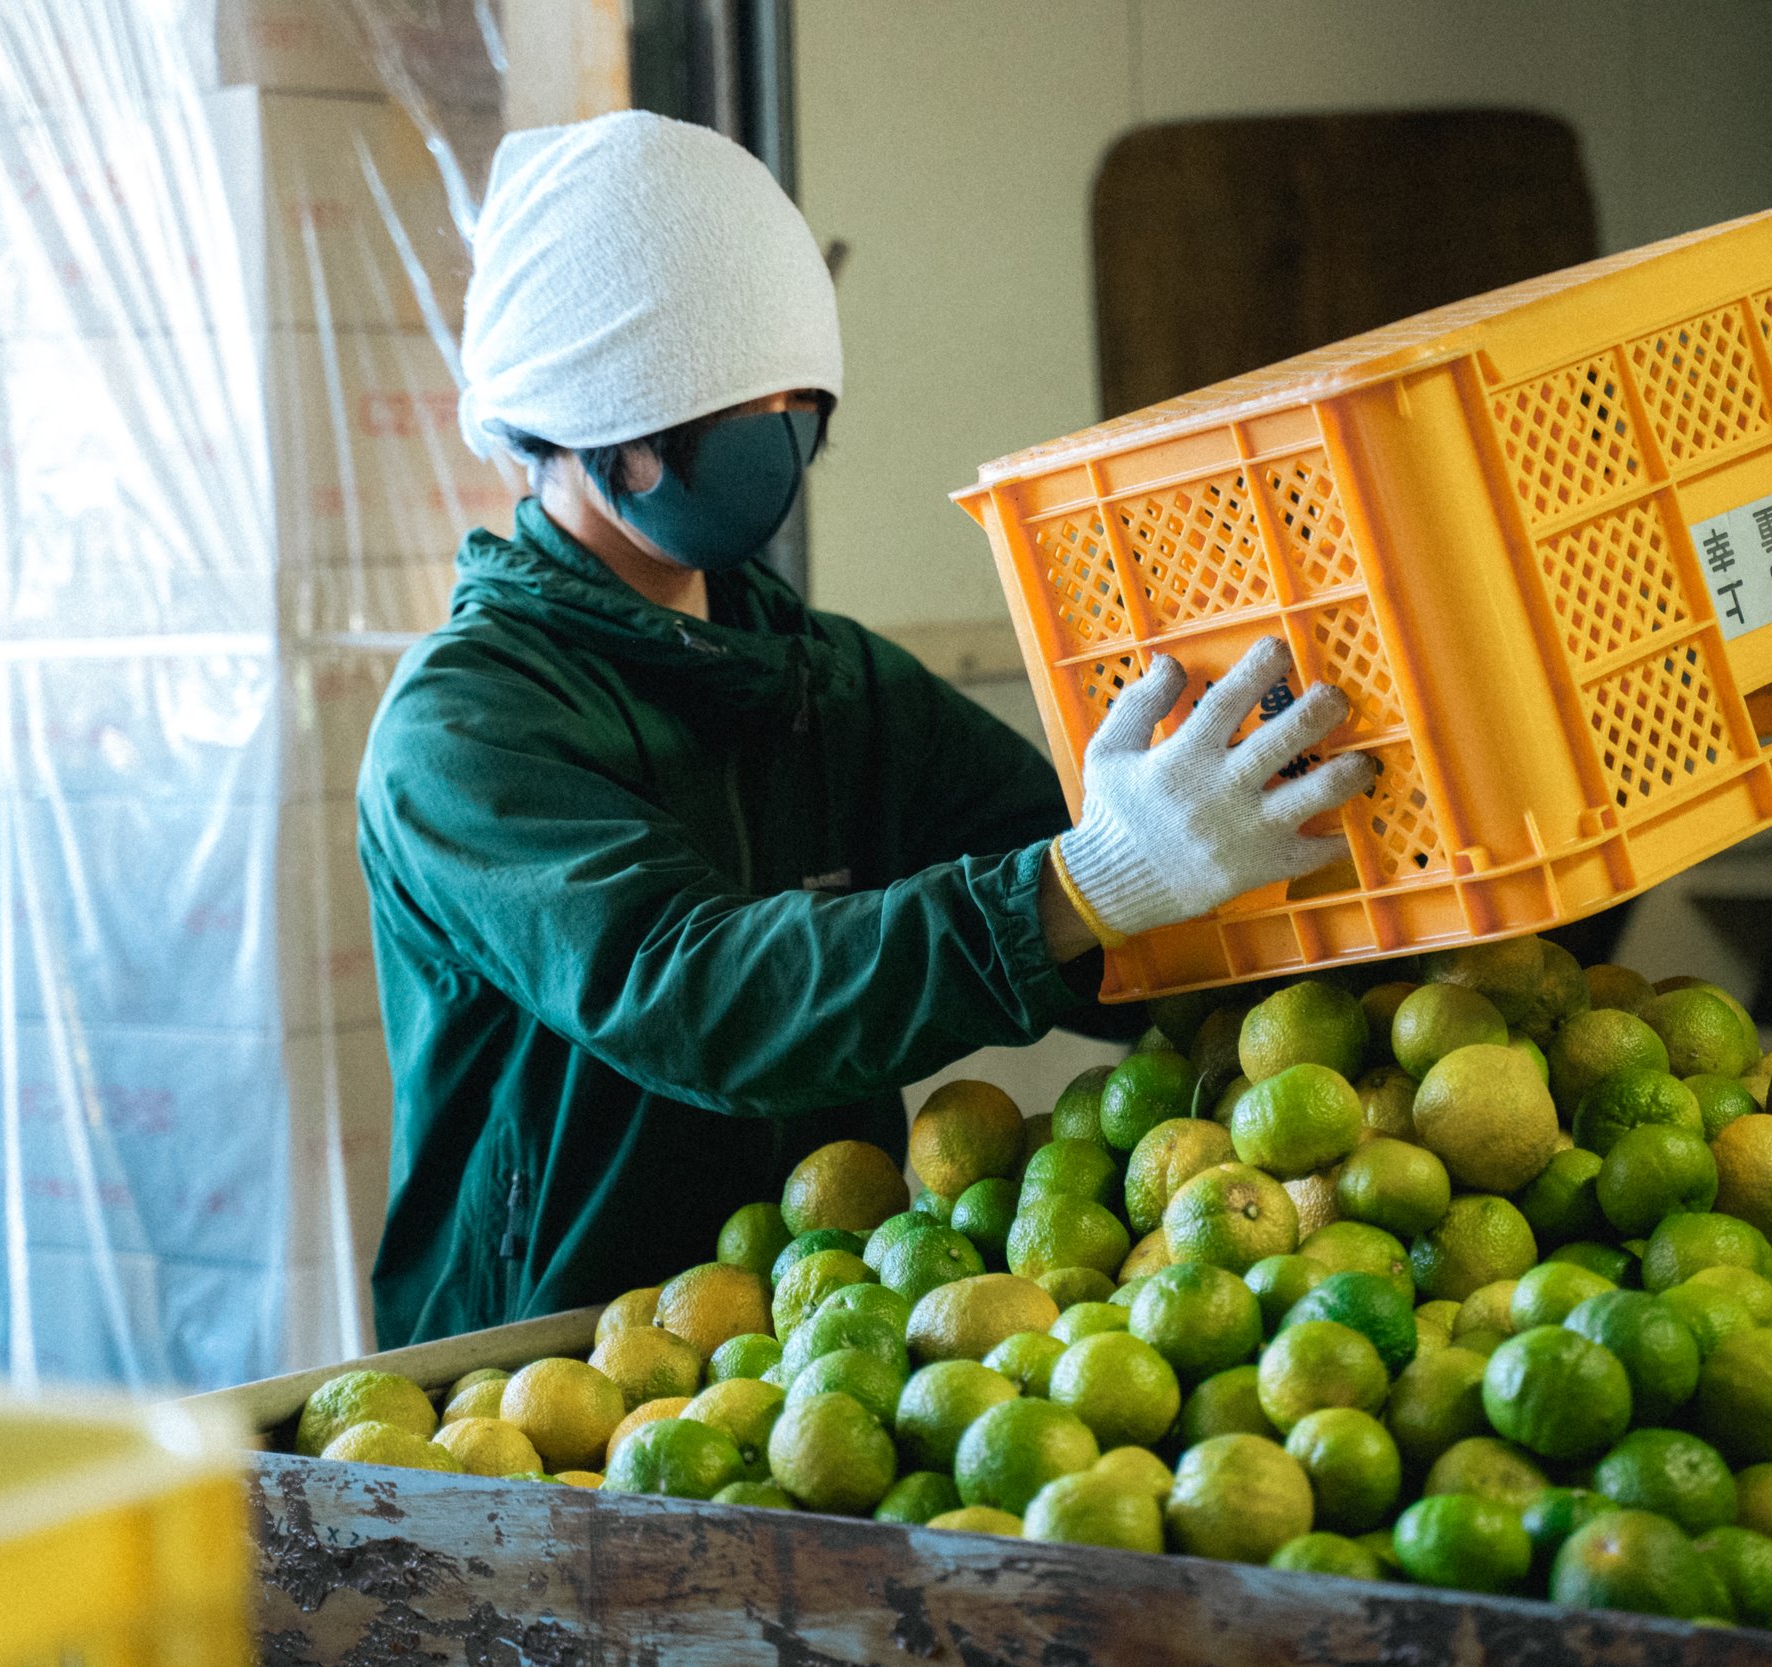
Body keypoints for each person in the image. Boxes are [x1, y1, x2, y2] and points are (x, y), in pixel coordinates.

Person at [357, 112, 1375, 1345]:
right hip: (542, 1368)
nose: (775, 442)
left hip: (829, 1336)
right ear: (585, 425)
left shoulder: (829, 684)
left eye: (800, 406)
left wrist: (1326, 912)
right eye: (728, 416)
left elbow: (1106, 901)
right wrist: (1091, 880)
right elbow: (698, 992)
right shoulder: (462, 731)